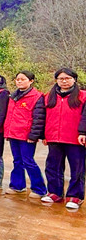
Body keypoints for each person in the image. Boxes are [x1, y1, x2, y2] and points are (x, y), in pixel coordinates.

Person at [32, 68, 86, 210]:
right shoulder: (49, 96)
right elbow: (42, 116)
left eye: (67, 78)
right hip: (54, 137)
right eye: (61, 78)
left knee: (77, 169)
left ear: (74, 79)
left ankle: (75, 196)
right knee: (52, 166)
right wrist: (43, 135)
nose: (64, 81)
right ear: (56, 80)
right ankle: (55, 192)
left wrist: (83, 132)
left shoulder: (82, 96)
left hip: (75, 138)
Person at [4, 71, 46, 197]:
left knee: (28, 161)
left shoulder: (37, 97)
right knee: (17, 161)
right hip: (13, 133)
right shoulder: (13, 96)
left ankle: (39, 189)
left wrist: (34, 136)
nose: (20, 81)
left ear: (31, 81)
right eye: (17, 79)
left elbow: (39, 118)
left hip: (26, 135)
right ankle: (17, 185)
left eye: (23, 79)